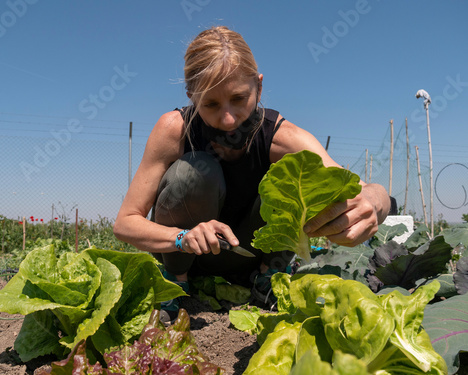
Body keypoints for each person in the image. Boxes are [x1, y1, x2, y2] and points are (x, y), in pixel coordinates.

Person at [113, 26, 391, 318]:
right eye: (210, 104)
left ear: (258, 87)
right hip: (187, 257)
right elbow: (125, 223)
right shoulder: (174, 131)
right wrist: (182, 238)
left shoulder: (282, 137)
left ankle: (267, 278)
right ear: (192, 97)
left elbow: (365, 191)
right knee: (193, 172)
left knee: (295, 180)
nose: (228, 118)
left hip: (252, 258)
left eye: (238, 98)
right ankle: (175, 284)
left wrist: (373, 201)